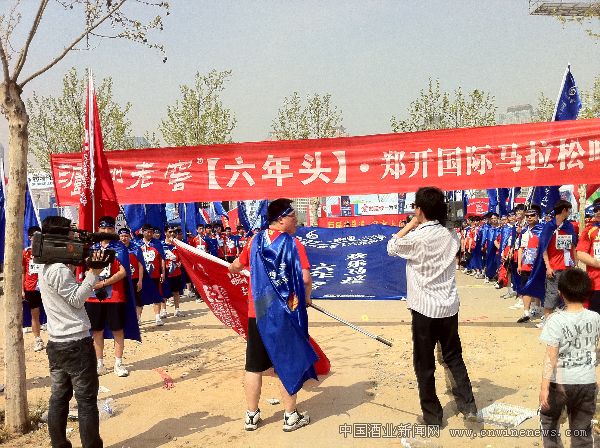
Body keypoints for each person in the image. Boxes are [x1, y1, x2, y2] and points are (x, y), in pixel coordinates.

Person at [387, 186, 477, 427]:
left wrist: (411, 224)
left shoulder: (417, 238)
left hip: (424, 309)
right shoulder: (451, 236)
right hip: (448, 306)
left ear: (419, 209)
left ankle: (433, 416)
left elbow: (392, 246)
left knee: (424, 363)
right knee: (453, 356)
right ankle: (468, 405)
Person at [229, 198, 317, 432]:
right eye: (293, 216)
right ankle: (290, 416)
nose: (296, 220)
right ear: (280, 219)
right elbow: (305, 279)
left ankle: (251, 416)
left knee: (254, 366)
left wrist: (232, 267)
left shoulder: (254, 241)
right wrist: (307, 297)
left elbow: (237, 265)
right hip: (283, 315)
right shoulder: (293, 244)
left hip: (257, 312)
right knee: (285, 363)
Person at [38, 216, 107, 448]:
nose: (73, 236)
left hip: (57, 343)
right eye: (70, 232)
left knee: (59, 398)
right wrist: (93, 273)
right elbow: (77, 299)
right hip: (75, 344)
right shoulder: (58, 270)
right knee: (86, 401)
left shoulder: (47, 267)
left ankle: (59, 444)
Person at [539, 268, 600, 448]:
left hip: (560, 383)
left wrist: (544, 387)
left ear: (560, 292)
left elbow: (551, 357)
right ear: (587, 292)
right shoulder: (595, 318)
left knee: (549, 423)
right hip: (587, 382)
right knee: (582, 430)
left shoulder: (555, 320)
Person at [85, 216, 129, 377]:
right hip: (94, 296)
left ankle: (118, 363)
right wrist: (92, 281)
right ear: (98, 229)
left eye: (110, 228)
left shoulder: (119, 247)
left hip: (114, 295)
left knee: (117, 329)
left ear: (113, 230)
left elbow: (123, 272)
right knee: (96, 330)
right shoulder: (92, 247)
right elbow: (85, 269)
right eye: (103, 228)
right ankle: (99, 363)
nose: (106, 231)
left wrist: (103, 283)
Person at [22, 225, 45, 352]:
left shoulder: (46, 251)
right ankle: (37, 339)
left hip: (46, 286)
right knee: (34, 313)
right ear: (30, 237)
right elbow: (22, 271)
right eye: (35, 236)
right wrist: (22, 289)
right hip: (31, 287)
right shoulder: (26, 252)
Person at [576, 198, 600, 313]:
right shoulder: (589, 230)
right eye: (596, 209)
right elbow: (580, 253)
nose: (598, 212)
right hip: (596, 284)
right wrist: (597, 264)